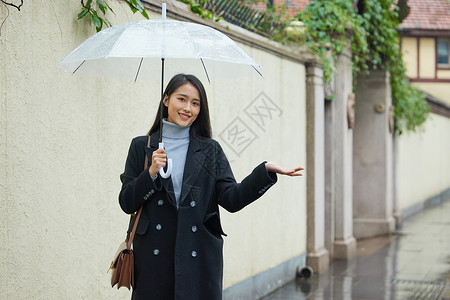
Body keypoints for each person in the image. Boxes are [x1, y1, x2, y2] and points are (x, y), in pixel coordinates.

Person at [119, 74, 303, 300]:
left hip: (198, 254)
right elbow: (126, 202)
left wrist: (264, 172)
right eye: (182, 99)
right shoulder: (142, 146)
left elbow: (231, 199)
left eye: (195, 103)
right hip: (154, 257)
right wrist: (150, 173)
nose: (188, 108)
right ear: (166, 100)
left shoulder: (209, 150)